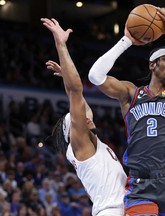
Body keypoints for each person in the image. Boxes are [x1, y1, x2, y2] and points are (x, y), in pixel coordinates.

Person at [88, 7, 165, 216]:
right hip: (140, 182)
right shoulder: (130, 93)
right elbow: (95, 76)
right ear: (153, 65)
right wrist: (126, 41)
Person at [40, 18, 127, 216]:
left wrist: (66, 78)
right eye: (80, 118)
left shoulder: (90, 144)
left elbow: (82, 104)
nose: (88, 117)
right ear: (74, 130)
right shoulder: (80, 145)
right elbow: (76, 92)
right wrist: (61, 45)